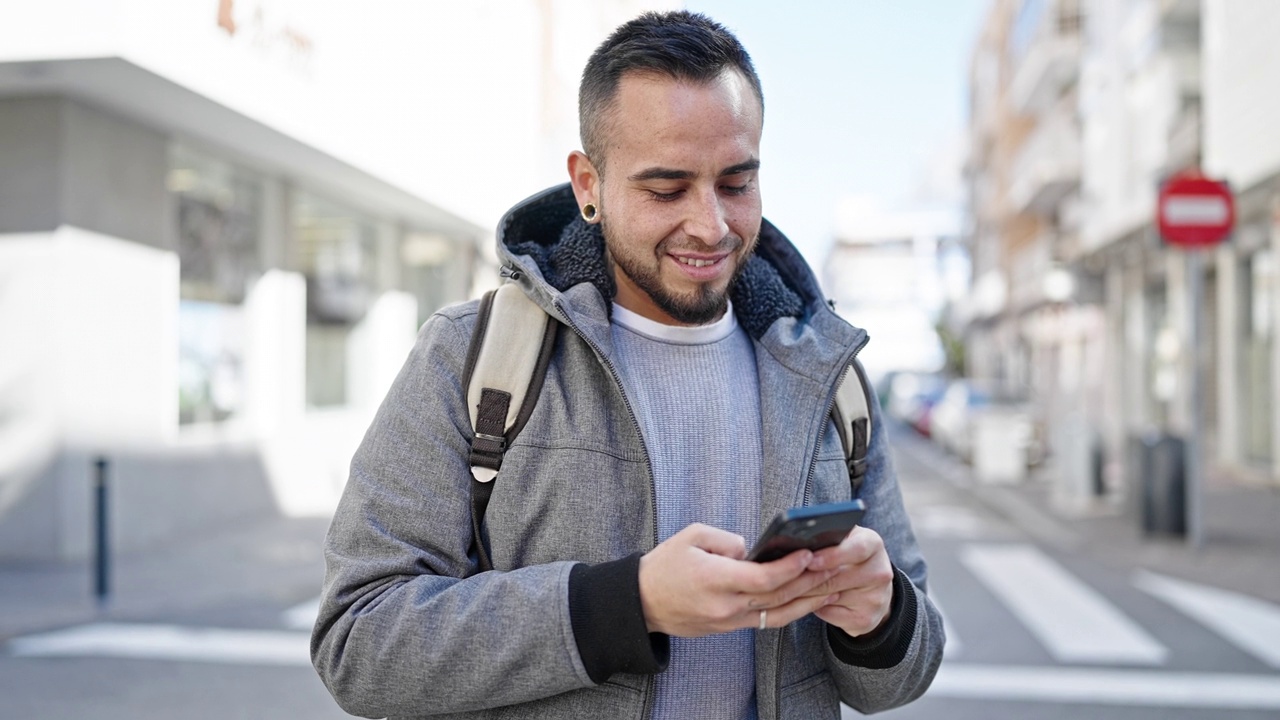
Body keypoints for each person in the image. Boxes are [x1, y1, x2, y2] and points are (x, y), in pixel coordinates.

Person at [312, 11, 944, 720]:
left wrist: (880, 615)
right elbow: (358, 643)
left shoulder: (830, 372)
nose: (710, 225)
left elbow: (903, 673)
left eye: (736, 183)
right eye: (666, 189)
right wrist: (628, 603)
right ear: (589, 184)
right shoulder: (470, 356)